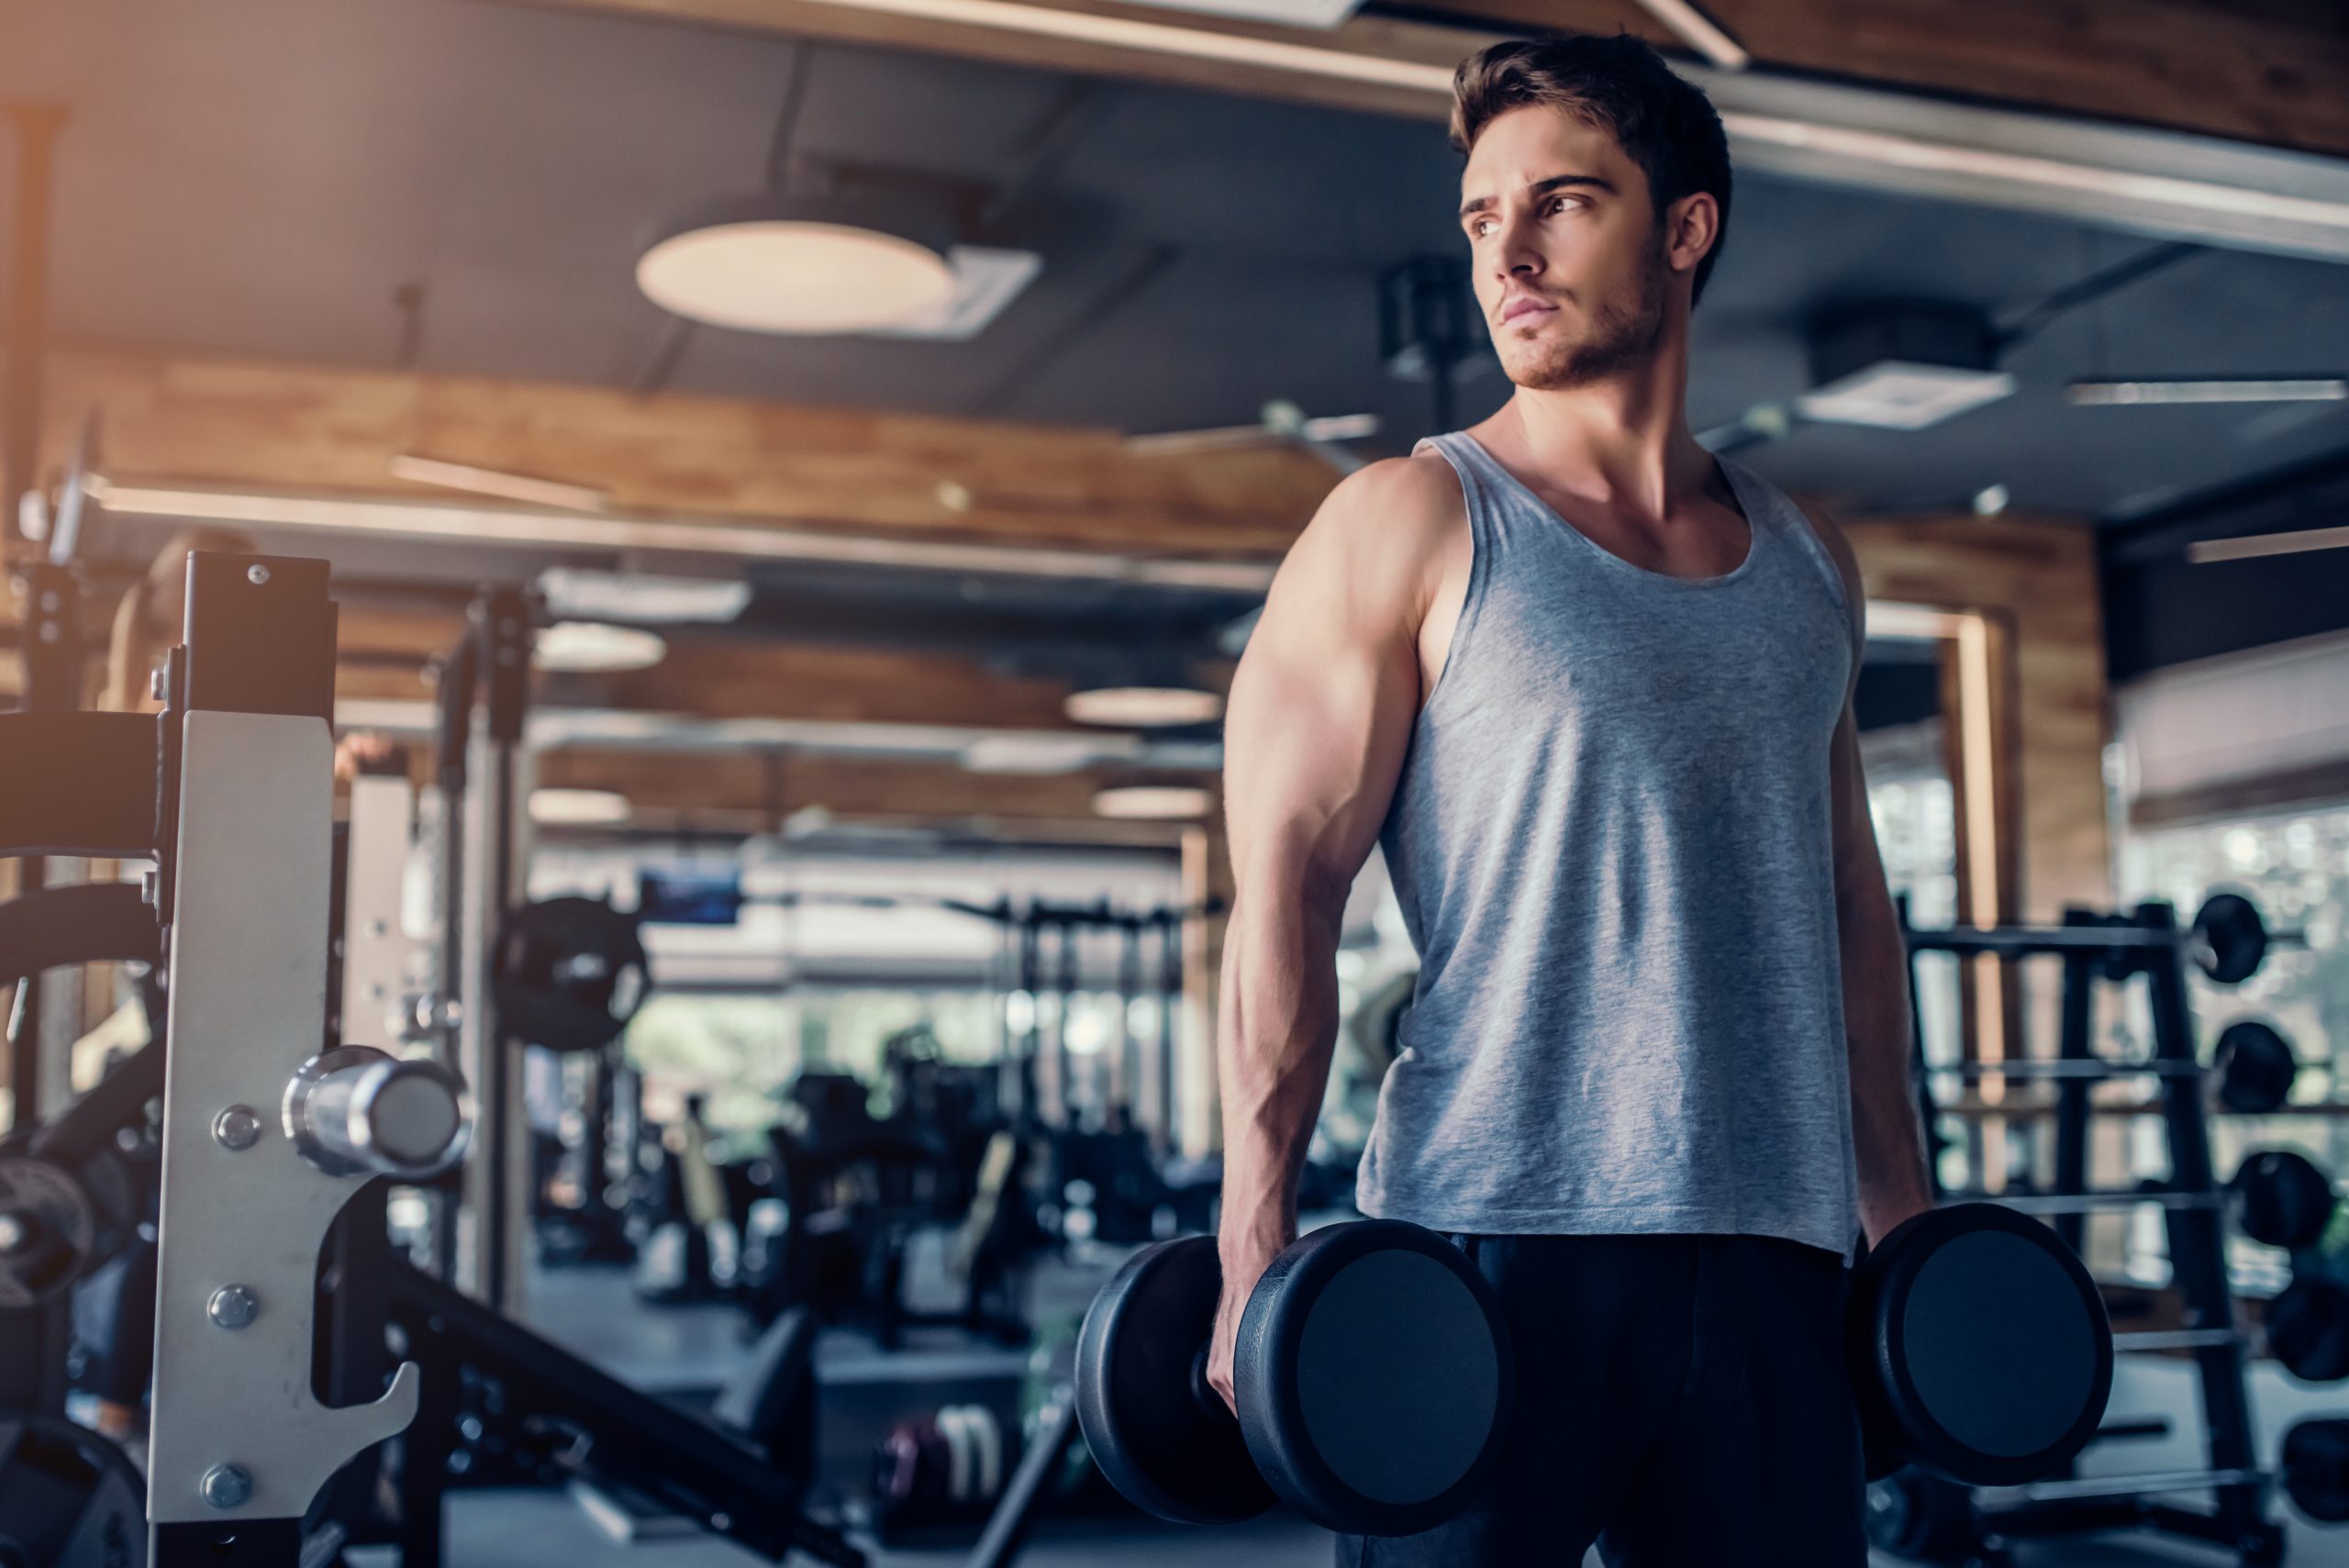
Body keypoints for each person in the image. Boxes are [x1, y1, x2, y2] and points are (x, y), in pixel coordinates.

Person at [1208, 34, 1932, 1567]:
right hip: (1495, 1243)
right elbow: (1286, 881)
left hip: (1772, 1252)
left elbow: (1851, 907)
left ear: (1685, 229)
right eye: (1481, 218)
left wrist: (1906, 1218)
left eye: (1562, 203)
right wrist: (1252, 1231)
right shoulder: (1406, 520)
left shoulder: (1810, 564)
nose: (1509, 254)